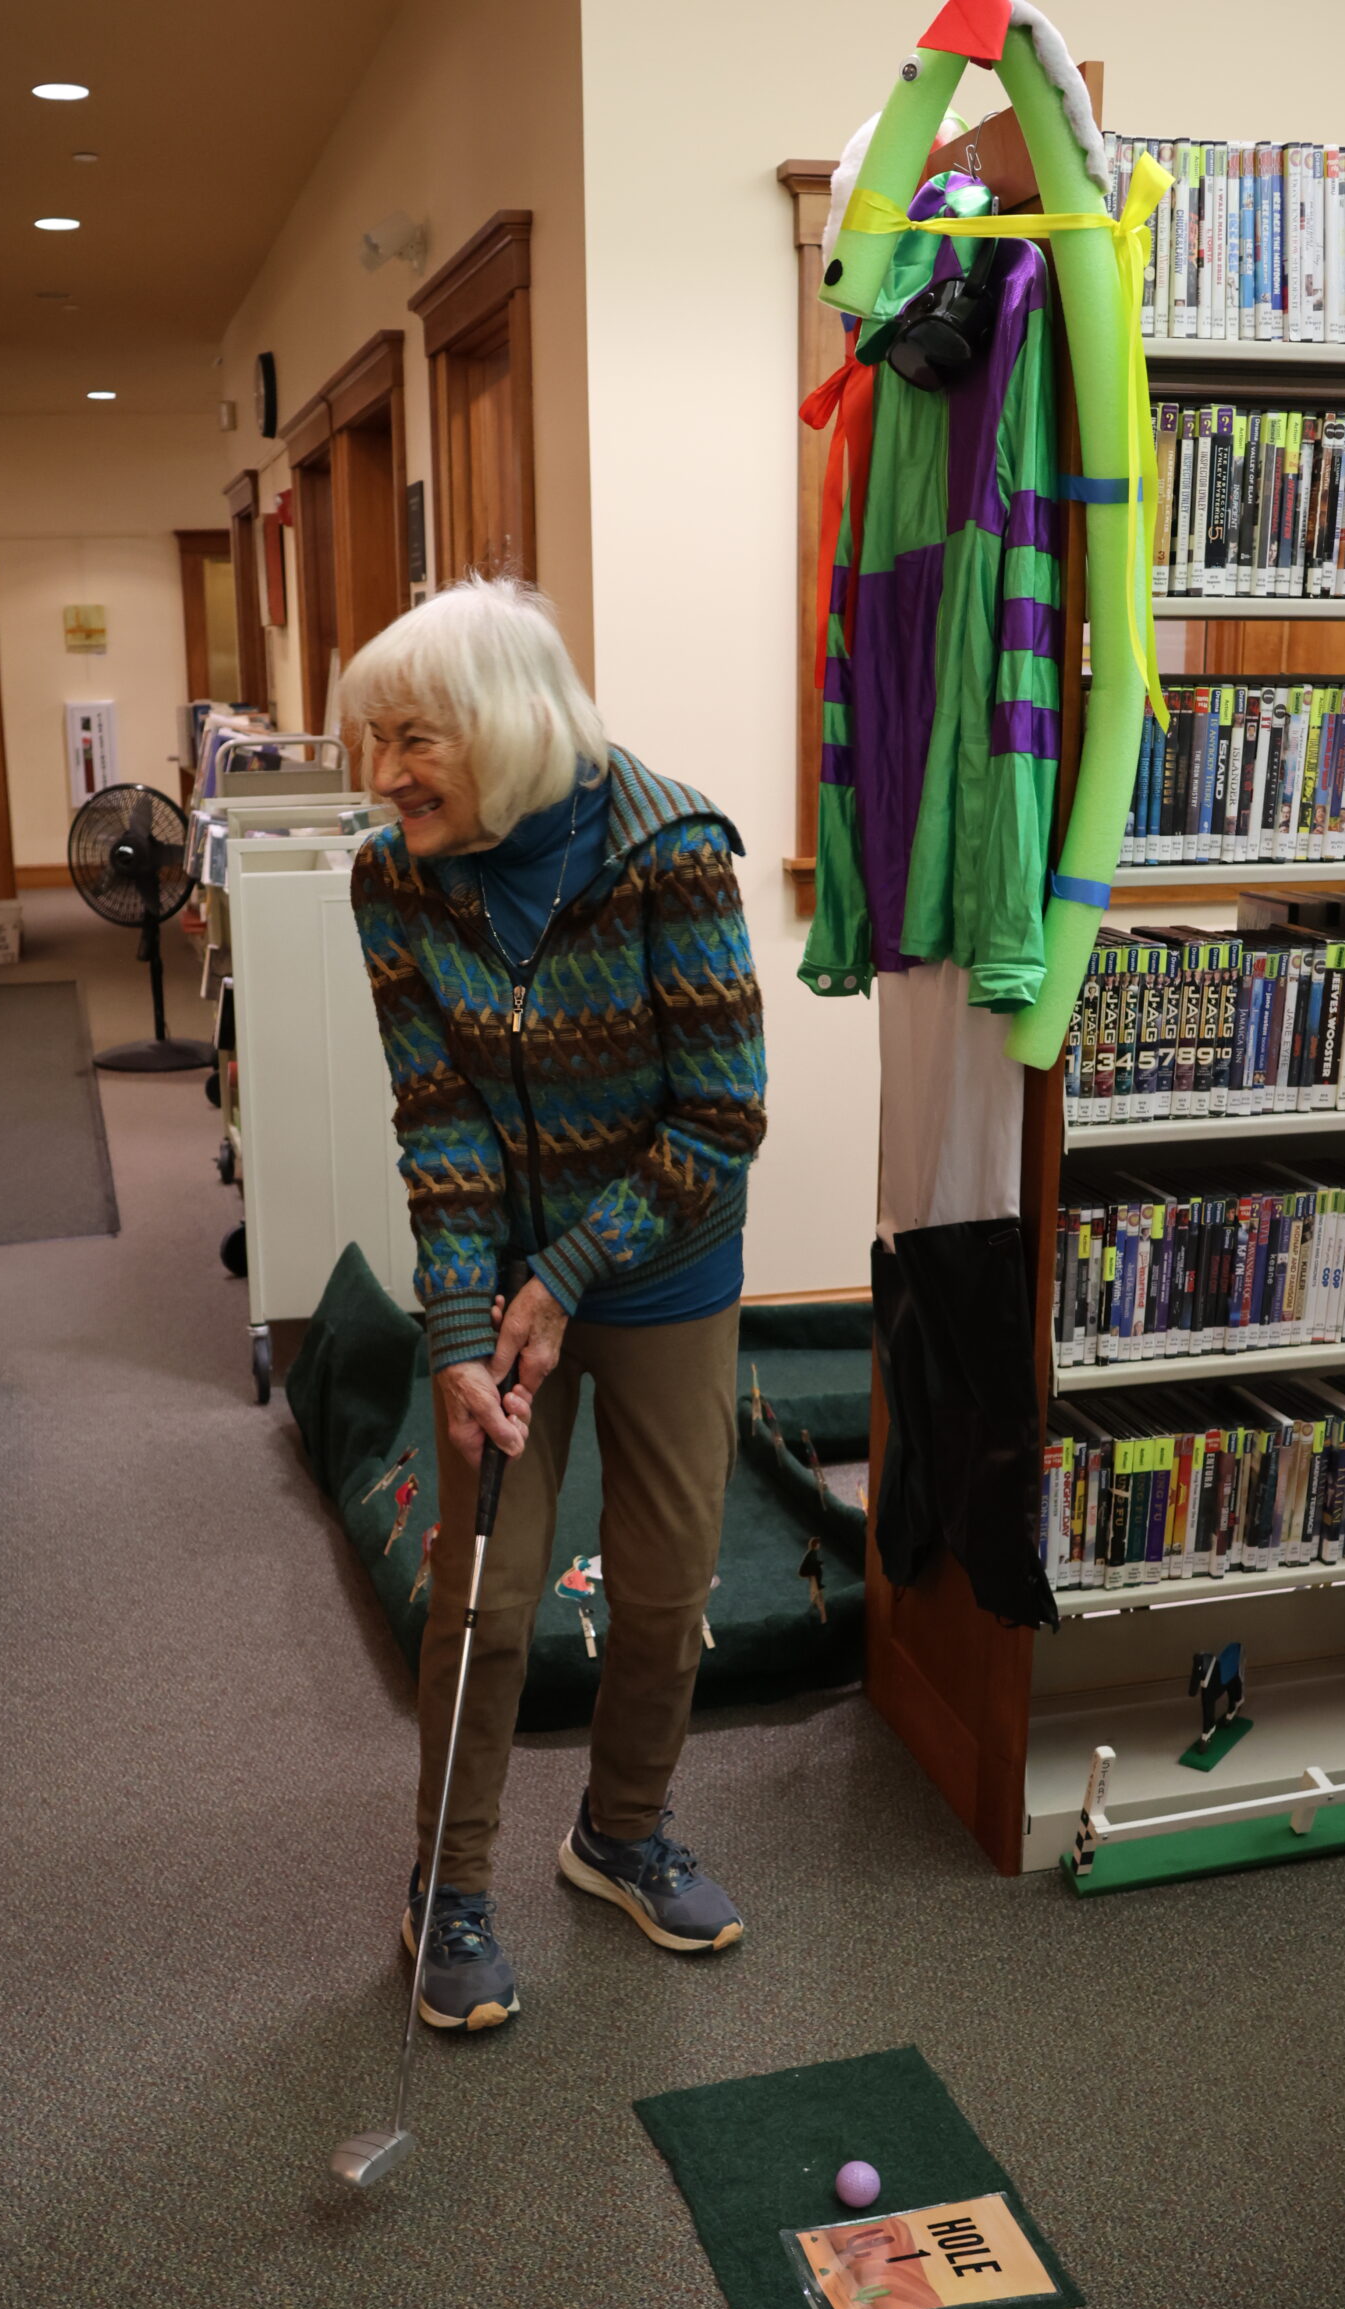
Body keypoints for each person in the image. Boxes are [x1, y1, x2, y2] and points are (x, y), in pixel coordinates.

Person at [344, 575, 767, 2031]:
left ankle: (623, 1832)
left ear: (510, 726)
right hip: (495, 1285)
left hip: (661, 1269)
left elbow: (721, 1117)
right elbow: (438, 1119)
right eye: (373, 742)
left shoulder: (671, 852)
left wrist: (570, 1275)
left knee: (664, 1586)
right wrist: (466, 1331)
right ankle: (446, 1888)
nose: (382, 776)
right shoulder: (394, 878)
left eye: (413, 741)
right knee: (485, 1600)